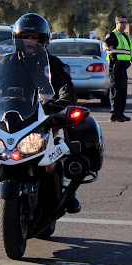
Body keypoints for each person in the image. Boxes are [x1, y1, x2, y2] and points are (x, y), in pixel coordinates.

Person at [12, 13, 81, 213]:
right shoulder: (6, 63)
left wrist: (62, 102)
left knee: (63, 144)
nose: (30, 41)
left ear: (43, 39)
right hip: (13, 116)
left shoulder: (54, 64)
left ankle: (67, 188)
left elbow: (66, 87)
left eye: (35, 37)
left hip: (43, 115)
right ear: (17, 38)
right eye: (25, 37)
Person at [103, 15, 132, 122]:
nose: (124, 25)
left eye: (125, 23)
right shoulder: (113, 35)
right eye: (122, 22)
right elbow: (105, 42)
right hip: (116, 66)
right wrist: (106, 47)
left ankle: (120, 114)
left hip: (123, 67)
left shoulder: (126, 36)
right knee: (116, 91)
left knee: (123, 91)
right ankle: (114, 114)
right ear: (117, 23)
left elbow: (129, 53)